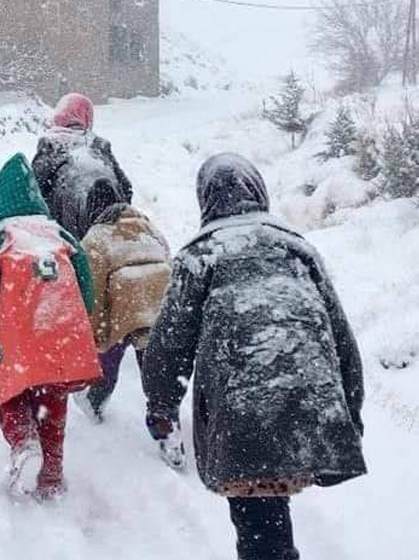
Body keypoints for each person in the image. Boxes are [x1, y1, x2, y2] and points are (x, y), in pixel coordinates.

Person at [142, 153, 367, 560]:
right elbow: (341, 338)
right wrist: (351, 412)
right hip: (311, 400)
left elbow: (169, 345)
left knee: (259, 525)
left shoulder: (200, 257)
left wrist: (161, 406)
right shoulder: (299, 249)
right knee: (269, 521)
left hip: (244, 408)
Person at [0, 154, 101, 501]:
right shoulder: (58, 232)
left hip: (19, 334)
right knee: (53, 401)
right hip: (63, 329)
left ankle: (23, 442)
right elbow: (85, 282)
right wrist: (82, 326)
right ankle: (51, 475)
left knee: (11, 393)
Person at [71, 181, 183, 469]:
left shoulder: (95, 238)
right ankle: (168, 432)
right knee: (157, 373)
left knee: (107, 359)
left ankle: (96, 400)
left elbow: (92, 294)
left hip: (124, 310)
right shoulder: (149, 227)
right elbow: (168, 260)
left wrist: (97, 337)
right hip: (160, 307)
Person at [31, 93, 133, 240]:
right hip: (112, 224)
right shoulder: (99, 145)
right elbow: (126, 189)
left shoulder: (51, 146)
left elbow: (33, 193)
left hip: (68, 227)